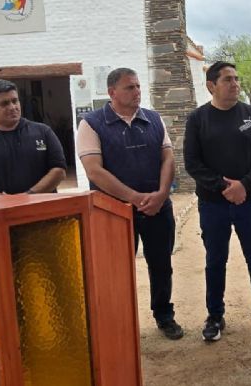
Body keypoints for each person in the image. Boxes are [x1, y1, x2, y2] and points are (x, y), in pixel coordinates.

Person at [76, 67, 183, 340]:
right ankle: (119, 322)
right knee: (116, 270)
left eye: (137, 86)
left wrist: (161, 194)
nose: (137, 92)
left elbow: (168, 159)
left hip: (158, 208)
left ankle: (164, 315)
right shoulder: (91, 123)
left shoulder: (154, 119)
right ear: (112, 92)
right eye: (129, 88)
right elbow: (94, 171)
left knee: (161, 265)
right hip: (113, 211)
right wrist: (134, 198)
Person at [184, 61, 251, 342]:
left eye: (236, 79)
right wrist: (224, 186)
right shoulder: (197, 119)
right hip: (213, 205)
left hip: (249, 203)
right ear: (211, 85)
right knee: (215, 260)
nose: (235, 84)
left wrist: (245, 185)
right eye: (228, 79)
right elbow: (192, 163)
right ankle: (215, 315)